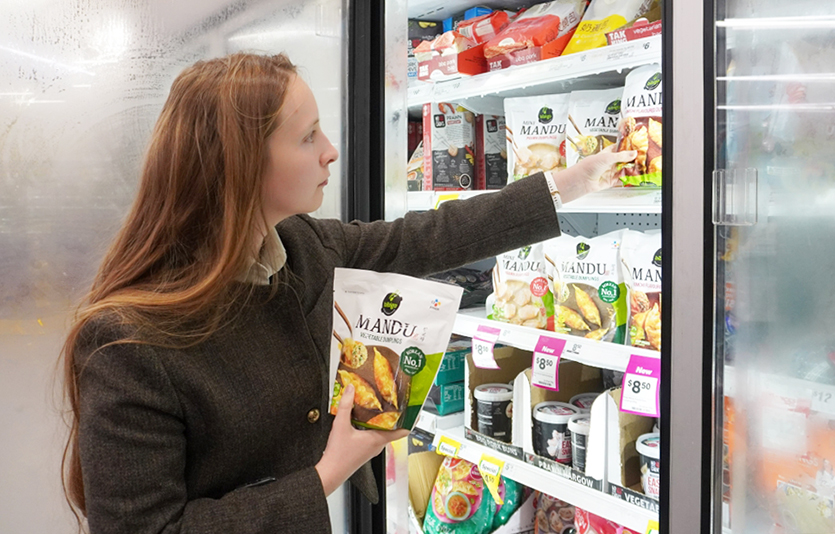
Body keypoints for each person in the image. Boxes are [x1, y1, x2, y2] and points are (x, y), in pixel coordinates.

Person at [60, 52, 636, 533]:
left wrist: (570, 183)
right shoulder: (125, 345)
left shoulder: (302, 246)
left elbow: (424, 237)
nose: (331, 150)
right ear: (241, 165)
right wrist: (328, 472)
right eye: (308, 136)